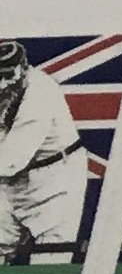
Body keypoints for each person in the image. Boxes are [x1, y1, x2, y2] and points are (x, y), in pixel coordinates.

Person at [0, 40, 82, 258]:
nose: (2, 83)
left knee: (51, 255)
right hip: (11, 182)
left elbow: (12, 159)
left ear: (24, 68)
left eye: (8, 75)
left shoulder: (40, 92)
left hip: (54, 179)